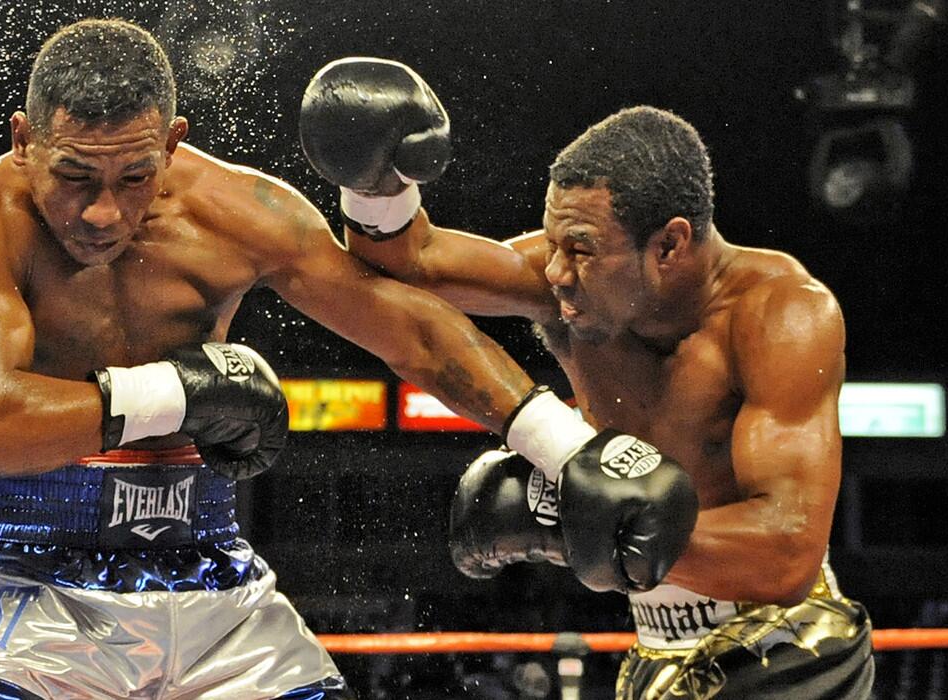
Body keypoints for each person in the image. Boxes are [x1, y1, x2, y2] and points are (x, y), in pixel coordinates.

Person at [0, 20, 698, 700]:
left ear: (172, 144)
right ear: (25, 142)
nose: (101, 211)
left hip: (209, 579)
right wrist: (180, 395)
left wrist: (565, 449)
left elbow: (409, 330)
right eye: (74, 176)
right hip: (20, 578)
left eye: (134, 178)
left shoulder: (240, 213)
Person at [301, 58, 875, 697]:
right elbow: (413, 266)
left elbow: (786, 554)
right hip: (657, 644)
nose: (554, 272)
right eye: (551, 243)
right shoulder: (571, 289)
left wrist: (557, 529)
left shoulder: (780, 316)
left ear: (669, 245)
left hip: (788, 648)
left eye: (580, 249)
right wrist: (375, 181)